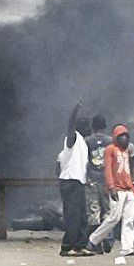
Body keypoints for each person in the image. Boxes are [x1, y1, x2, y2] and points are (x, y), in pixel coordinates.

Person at [87, 124, 134, 256]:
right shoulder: (110, 149)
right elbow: (108, 170)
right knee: (114, 218)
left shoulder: (126, 151)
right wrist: (111, 187)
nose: (124, 139)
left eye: (126, 137)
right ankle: (93, 240)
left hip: (128, 189)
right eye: (121, 136)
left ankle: (127, 248)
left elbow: (128, 173)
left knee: (129, 219)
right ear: (116, 137)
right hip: (117, 189)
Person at [57, 101, 94, 257]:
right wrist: (75, 110)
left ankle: (80, 245)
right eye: (85, 125)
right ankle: (66, 247)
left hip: (78, 182)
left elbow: (84, 166)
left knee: (82, 215)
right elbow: (70, 125)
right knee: (72, 216)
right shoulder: (72, 138)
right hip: (70, 181)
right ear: (79, 127)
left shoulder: (84, 144)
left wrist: (87, 179)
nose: (89, 128)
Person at [84, 114, 113, 251]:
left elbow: (84, 162)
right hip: (107, 180)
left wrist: (86, 177)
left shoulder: (86, 141)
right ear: (104, 126)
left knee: (93, 211)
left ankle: (95, 243)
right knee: (107, 210)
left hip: (92, 179)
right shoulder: (111, 141)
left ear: (93, 126)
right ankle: (107, 238)